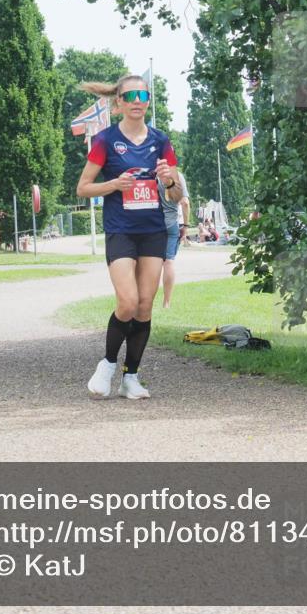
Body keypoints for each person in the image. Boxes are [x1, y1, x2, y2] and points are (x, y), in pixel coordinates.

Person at [76, 73, 183, 400]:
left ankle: (131, 377)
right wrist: (113, 185)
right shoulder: (106, 141)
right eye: (131, 96)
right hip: (121, 230)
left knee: (145, 306)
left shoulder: (160, 140)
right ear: (119, 102)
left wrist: (168, 181)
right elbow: (82, 188)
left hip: (152, 230)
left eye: (143, 95)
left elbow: (177, 196)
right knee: (128, 301)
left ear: (148, 102)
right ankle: (107, 364)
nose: (138, 100)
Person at [159, 169, 190, 308]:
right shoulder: (178, 176)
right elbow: (185, 203)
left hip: (154, 224)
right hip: (171, 224)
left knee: (151, 263)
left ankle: (146, 299)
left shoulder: (152, 175)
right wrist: (186, 225)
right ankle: (166, 302)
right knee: (169, 262)